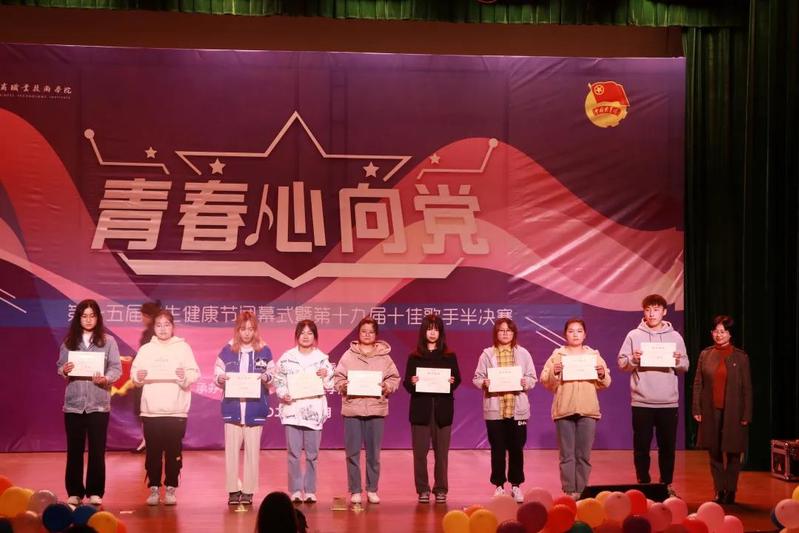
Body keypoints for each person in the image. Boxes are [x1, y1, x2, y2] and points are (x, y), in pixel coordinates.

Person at [617, 294, 688, 495]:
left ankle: (666, 485)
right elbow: (622, 363)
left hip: (668, 402)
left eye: (656, 309)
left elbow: (685, 365)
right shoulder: (634, 335)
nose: (651, 314)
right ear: (644, 312)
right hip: (642, 401)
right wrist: (634, 359)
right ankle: (644, 484)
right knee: (641, 447)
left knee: (667, 447)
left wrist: (677, 360)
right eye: (648, 310)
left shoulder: (675, 337)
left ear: (664, 312)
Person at [131, 309, 200, 506]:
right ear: (154, 328)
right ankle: (153, 488)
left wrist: (184, 376)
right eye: (159, 325)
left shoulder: (183, 348)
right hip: (151, 411)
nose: (163, 329)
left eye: (167, 325)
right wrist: (139, 377)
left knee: (173, 452)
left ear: (173, 327)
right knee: (153, 452)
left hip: (176, 410)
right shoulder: (146, 349)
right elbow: (134, 374)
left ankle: (171, 487)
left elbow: (194, 373)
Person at [57, 299, 122, 507]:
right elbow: (60, 366)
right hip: (74, 404)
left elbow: (116, 368)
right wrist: (64, 370)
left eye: (92, 316)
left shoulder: (108, 341)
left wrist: (106, 379)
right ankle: (74, 491)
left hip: (98, 404)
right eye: (84, 316)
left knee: (97, 450)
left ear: (98, 318)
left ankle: (95, 491)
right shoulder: (70, 341)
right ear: (78, 318)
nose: (88, 319)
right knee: (74, 450)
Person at [541, 318, 611, 499]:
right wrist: (554, 372)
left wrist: (602, 373)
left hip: (588, 410)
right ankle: (569, 490)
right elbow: (545, 380)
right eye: (571, 331)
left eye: (579, 331)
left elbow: (606, 382)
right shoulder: (558, 355)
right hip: (564, 410)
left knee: (584, 454)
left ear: (585, 334)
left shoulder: (593, 355)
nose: (575, 334)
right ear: (565, 334)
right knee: (567, 455)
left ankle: (582, 490)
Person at [333, 317, 400, 505]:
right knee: (352, 453)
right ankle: (355, 490)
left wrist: (387, 386)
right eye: (364, 331)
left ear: (376, 334)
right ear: (358, 333)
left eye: (371, 332)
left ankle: (372, 489)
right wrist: (343, 385)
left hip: (376, 409)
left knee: (373, 454)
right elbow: (338, 378)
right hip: (352, 409)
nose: (367, 335)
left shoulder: (384, 357)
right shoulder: (348, 356)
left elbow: (394, 378)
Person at [472, 317, 537, 503]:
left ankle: (516, 486)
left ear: (514, 333)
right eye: (501, 330)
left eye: (509, 330)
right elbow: (477, 378)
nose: (505, 333)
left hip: (518, 410)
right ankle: (499, 486)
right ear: (496, 333)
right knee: (497, 449)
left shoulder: (523, 354)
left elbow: (532, 378)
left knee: (517, 449)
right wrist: (484, 383)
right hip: (495, 410)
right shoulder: (487, 354)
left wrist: (525, 382)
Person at [214, 311, 274, 506]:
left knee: (252, 453)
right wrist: (220, 378)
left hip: (255, 409)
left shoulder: (264, 350)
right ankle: (233, 490)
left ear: (256, 330)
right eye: (243, 329)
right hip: (232, 408)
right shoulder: (227, 350)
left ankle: (248, 491)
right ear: (237, 330)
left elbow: (273, 374)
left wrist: (266, 377)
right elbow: (217, 372)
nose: (247, 333)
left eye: (251, 329)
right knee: (231, 452)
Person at [692, 315, 752, 504]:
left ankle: (731, 490)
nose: (719, 335)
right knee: (714, 451)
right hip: (711, 410)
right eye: (716, 331)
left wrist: (747, 413)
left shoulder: (741, 357)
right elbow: (698, 383)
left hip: (734, 411)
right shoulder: (705, 355)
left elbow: (747, 388)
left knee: (734, 452)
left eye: (723, 332)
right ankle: (719, 490)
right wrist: (696, 408)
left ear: (730, 334)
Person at [402, 314, 462, 504]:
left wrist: (451, 381)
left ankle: (441, 488)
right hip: (421, 411)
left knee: (441, 454)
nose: (433, 333)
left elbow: (457, 380)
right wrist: (413, 382)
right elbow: (407, 384)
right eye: (429, 329)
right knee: (420, 454)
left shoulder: (449, 356)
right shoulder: (414, 356)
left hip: (443, 412)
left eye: (436, 329)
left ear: (441, 332)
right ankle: (422, 489)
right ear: (423, 332)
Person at [273, 319, 334, 503]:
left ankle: (310, 490)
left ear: (315, 336)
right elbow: (278, 380)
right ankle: (295, 490)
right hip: (292, 410)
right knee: (293, 454)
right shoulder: (287, 357)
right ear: (296, 335)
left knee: (312, 455)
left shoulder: (322, 359)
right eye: (302, 333)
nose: (306, 336)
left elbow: (330, 385)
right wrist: (283, 394)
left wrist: (326, 376)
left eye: (310, 333)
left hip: (314, 412)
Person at [131, 300, 161, 454]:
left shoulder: (151, 333)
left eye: (142, 315)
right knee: (147, 410)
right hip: (146, 376)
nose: (141, 318)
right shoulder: (148, 333)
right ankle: (148, 440)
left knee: (147, 410)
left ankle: (149, 441)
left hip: (150, 378)